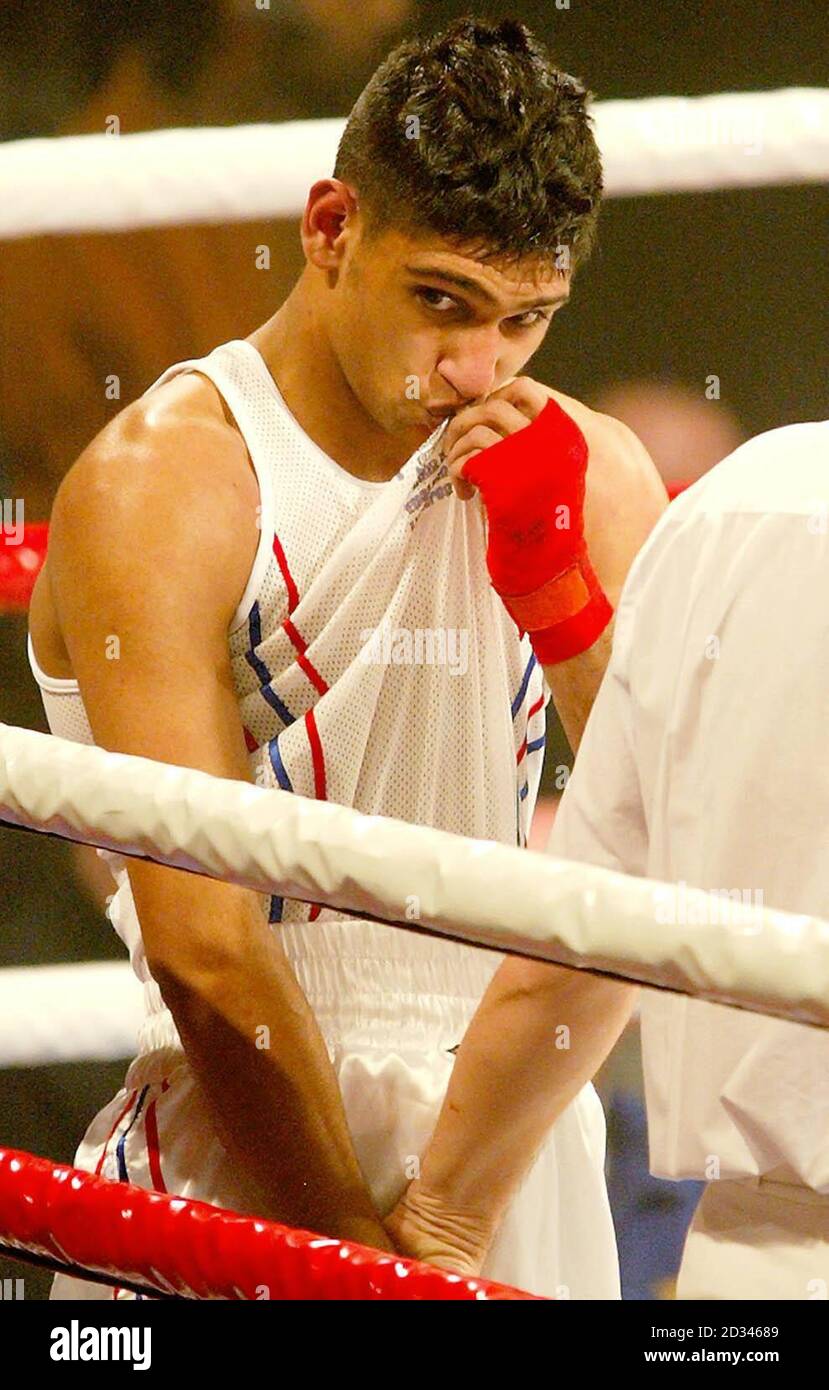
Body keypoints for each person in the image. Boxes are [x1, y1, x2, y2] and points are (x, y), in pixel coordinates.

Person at [28, 17, 665, 1299]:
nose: (474, 366)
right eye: (441, 301)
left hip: (514, 1147)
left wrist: (563, 596)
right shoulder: (172, 484)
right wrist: (370, 1271)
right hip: (247, 1150)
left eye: (526, 319)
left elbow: (668, 834)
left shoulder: (580, 470)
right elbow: (206, 954)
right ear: (331, 230)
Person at [545, 413, 829, 1298]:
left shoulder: (742, 502)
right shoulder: (737, 507)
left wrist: (445, 1210)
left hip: (753, 1258)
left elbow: (590, 919)